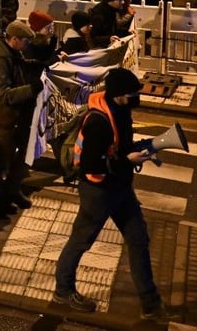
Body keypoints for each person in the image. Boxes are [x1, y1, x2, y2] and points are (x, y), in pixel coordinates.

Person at [53, 68, 179, 323]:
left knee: (138, 238)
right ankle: (63, 290)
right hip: (97, 192)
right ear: (119, 95)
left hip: (119, 188)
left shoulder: (120, 111)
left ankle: (150, 303)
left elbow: (119, 148)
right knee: (80, 241)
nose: (136, 97)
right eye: (132, 93)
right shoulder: (99, 121)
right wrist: (127, 161)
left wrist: (142, 150)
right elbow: (92, 166)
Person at [0, 21, 42, 215]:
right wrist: (32, 89)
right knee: (2, 160)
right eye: (25, 41)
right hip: (4, 117)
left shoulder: (12, 53)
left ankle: (13, 190)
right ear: (14, 39)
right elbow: (3, 95)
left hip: (18, 116)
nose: (27, 46)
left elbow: (21, 67)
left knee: (25, 153)